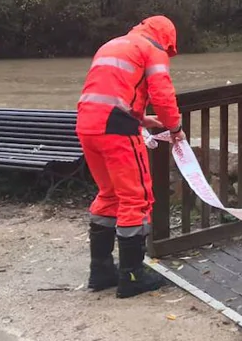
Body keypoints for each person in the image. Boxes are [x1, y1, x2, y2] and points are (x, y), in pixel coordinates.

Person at [75, 15, 186, 298]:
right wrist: (175, 128)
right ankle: (132, 275)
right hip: (116, 130)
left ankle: (100, 271)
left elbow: (111, 92)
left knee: (109, 194)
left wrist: (140, 118)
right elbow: (162, 95)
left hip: (88, 125)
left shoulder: (113, 44)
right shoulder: (152, 49)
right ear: (167, 39)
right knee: (136, 198)